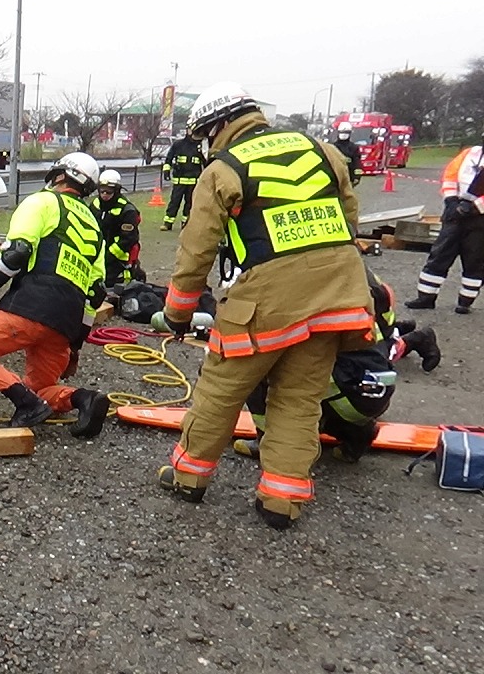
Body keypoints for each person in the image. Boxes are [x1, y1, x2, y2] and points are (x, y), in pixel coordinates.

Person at [155, 81, 374, 530]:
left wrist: (177, 313)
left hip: (264, 306)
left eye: (204, 135)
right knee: (299, 401)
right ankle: (281, 501)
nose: (204, 144)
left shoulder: (224, 169)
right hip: (334, 301)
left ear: (219, 125)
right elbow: (348, 222)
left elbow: (196, 252)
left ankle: (189, 478)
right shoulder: (323, 151)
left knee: (220, 392)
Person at [0, 152, 112, 437]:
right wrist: (75, 347)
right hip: (65, 326)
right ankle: (84, 398)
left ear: (59, 175)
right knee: (42, 389)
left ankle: (25, 403)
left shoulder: (42, 202)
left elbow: (17, 252)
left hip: (31, 308)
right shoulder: (95, 226)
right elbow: (95, 293)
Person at [235, 266, 440, 464]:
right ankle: (357, 434)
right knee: (364, 355)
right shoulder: (353, 270)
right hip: (375, 392)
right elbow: (382, 329)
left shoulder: (299, 281)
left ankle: (270, 442)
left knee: (256, 369)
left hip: (345, 384)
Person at [406, 136, 484, 314]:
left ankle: (465, 302)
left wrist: (475, 207)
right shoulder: (470, 154)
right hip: (455, 213)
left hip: (479, 220)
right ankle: (426, 297)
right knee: (439, 255)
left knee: (475, 261)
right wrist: (451, 201)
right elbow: (450, 176)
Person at [90, 169, 142, 286]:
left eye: (109, 191)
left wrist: (108, 256)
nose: (104, 194)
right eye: (102, 190)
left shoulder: (127, 211)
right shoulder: (95, 205)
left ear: (117, 190)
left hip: (118, 260)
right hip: (96, 255)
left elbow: (127, 239)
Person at [160, 133, 205, 231]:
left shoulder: (201, 146)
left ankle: (186, 223)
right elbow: (169, 158)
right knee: (174, 201)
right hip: (179, 180)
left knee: (190, 203)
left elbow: (205, 162)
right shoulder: (178, 144)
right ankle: (168, 223)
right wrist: (166, 171)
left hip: (194, 180)